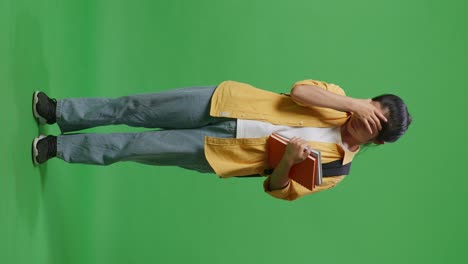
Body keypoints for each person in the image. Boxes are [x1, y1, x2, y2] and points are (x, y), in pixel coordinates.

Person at [31, 79, 412, 201]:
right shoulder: (337, 100)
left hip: (220, 153)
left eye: (374, 124)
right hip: (225, 102)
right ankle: (60, 111)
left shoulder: (337, 169)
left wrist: (288, 161)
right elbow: (300, 91)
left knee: (135, 147)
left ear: (377, 142)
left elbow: (277, 188)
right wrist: (352, 103)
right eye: (372, 109)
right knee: (136, 107)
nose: (364, 118)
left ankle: (59, 148)